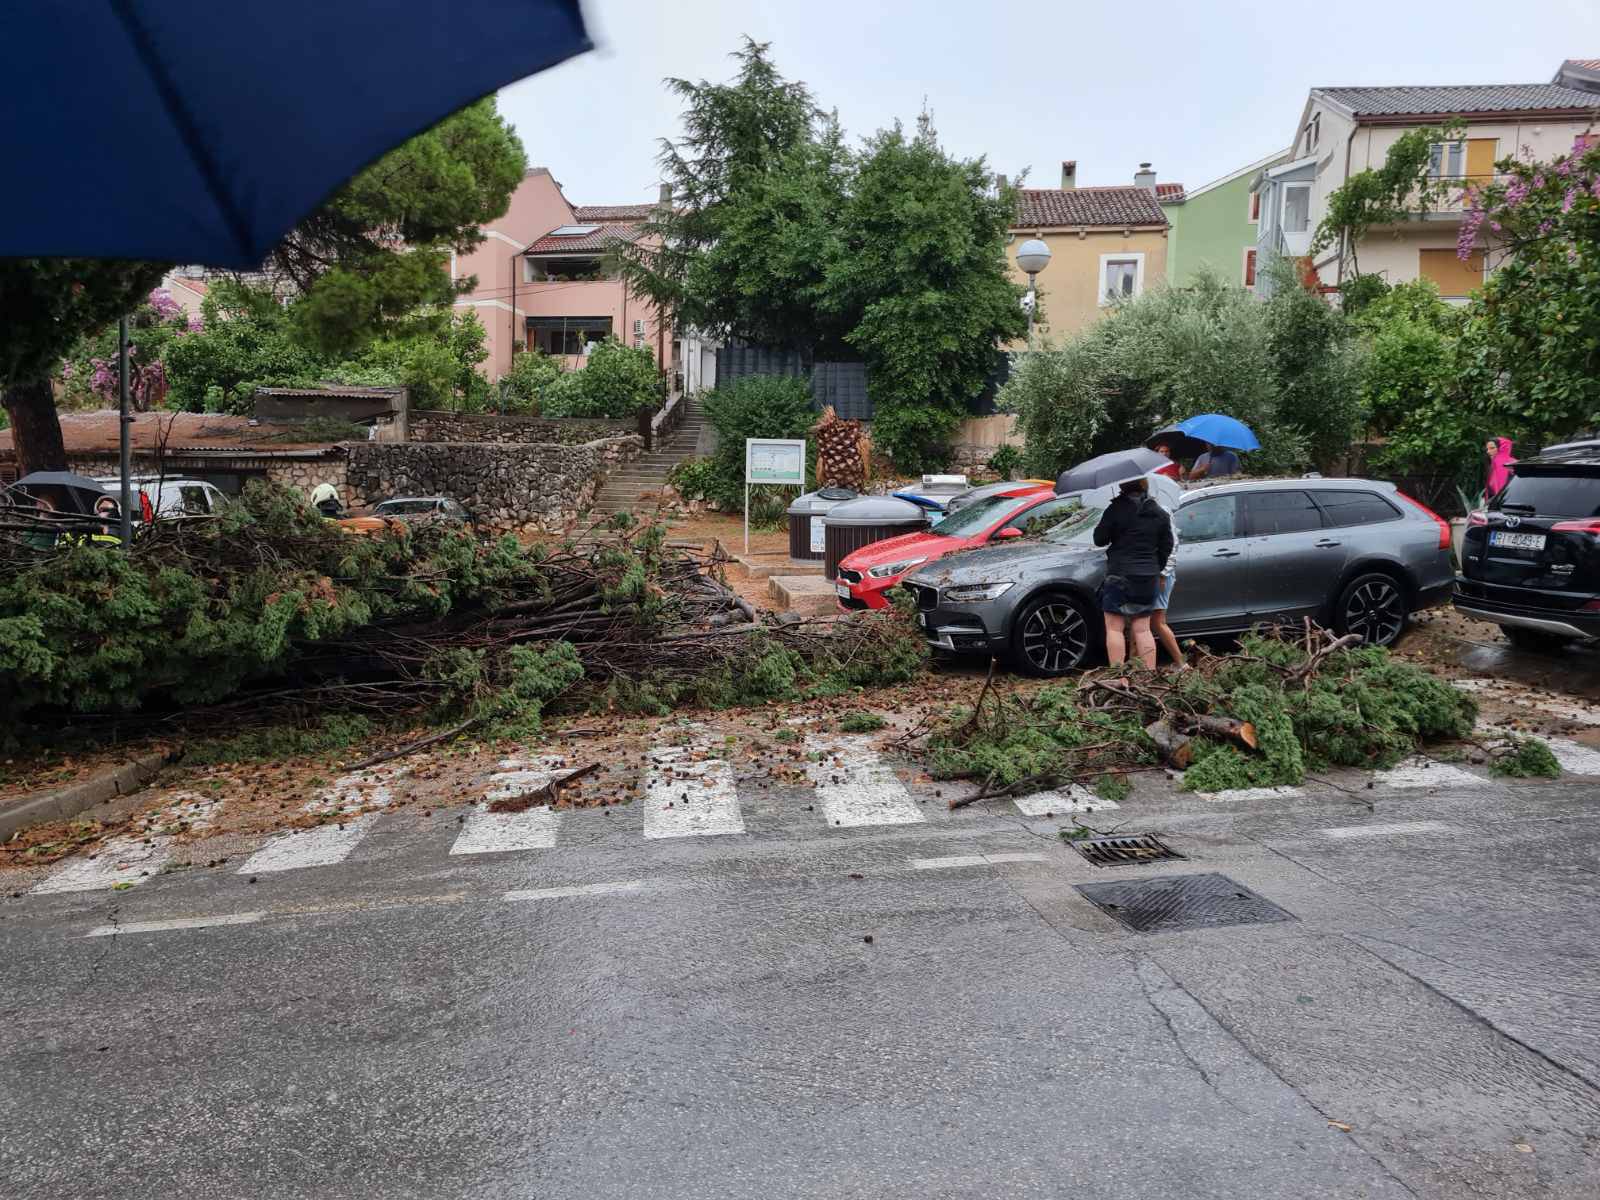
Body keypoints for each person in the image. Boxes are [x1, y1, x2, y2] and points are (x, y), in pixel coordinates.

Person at [1093, 477, 1175, 669]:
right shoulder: (1159, 513)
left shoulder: (1115, 510)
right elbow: (1167, 546)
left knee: (1114, 628)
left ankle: (1119, 676)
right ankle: (1148, 677)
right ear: (1144, 485)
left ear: (1122, 486)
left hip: (1120, 575)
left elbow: (1099, 539)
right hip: (1148, 577)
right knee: (1143, 629)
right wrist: (1156, 567)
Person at [1149, 497, 1186, 671]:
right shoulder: (1150, 508)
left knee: (1156, 622)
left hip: (1161, 574)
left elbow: (1172, 544)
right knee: (1143, 621)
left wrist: (1163, 574)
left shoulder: (1160, 509)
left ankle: (1181, 663)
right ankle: (1135, 663)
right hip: (1156, 572)